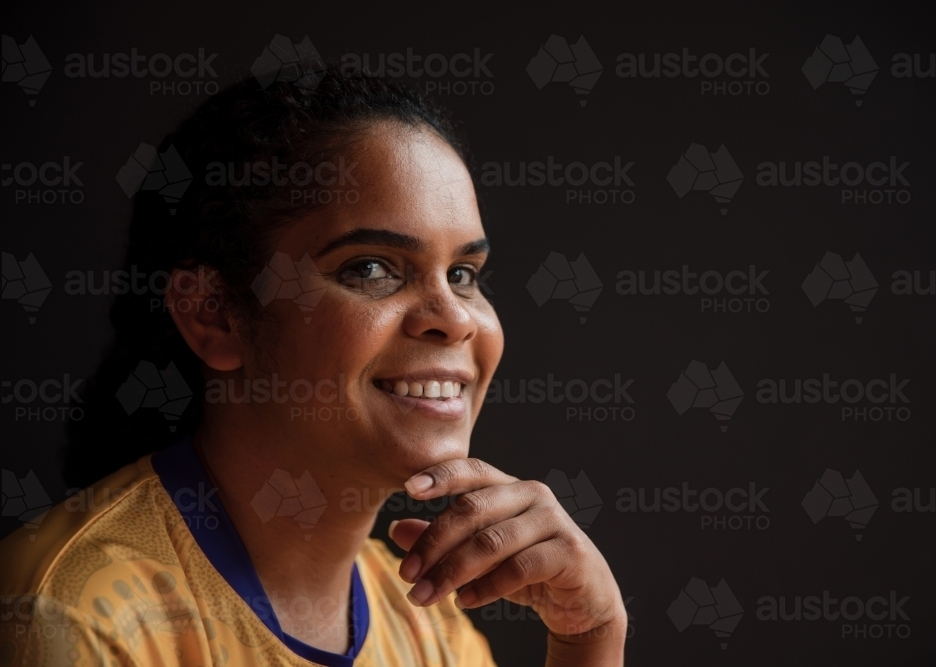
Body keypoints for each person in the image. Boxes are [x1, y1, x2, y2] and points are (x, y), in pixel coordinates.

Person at [0, 72, 627, 666]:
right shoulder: (71, 613)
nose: (454, 319)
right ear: (214, 315)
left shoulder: (430, 630)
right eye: (371, 267)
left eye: (463, 275)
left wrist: (587, 639)